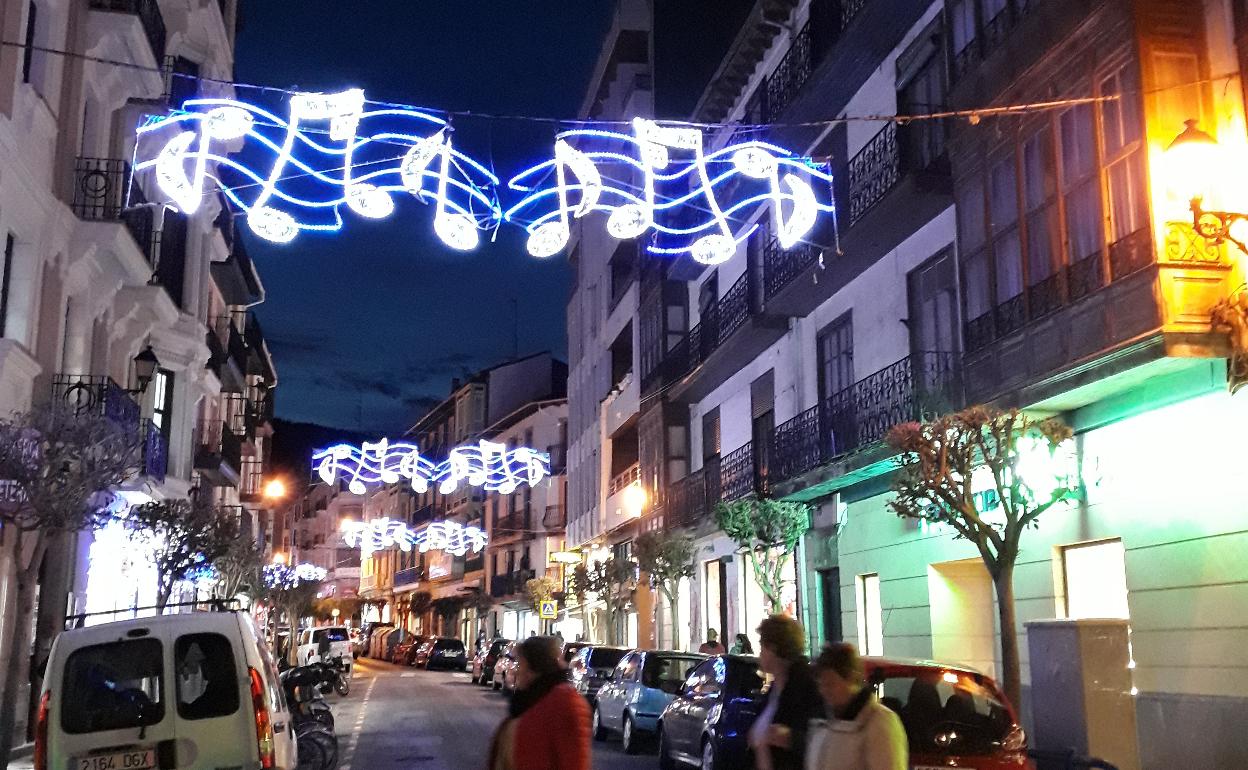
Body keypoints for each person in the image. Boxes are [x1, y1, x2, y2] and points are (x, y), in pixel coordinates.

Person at [487, 636, 590, 770]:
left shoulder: (565, 702)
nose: (517, 670)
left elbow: (574, 763)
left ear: (534, 667)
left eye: (521, 663)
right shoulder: (524, 703)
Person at [806, 643, 907, 770]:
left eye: (830, 684)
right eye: (821, 684)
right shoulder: (822, 722)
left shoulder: (879, 723)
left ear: (851, 678)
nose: (823, 690)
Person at [748, 615, 824, 770]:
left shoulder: (807, 686)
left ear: (773, 648)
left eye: (762, 646)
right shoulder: (775, 689)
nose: (760, 654)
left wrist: (790, 738)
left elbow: (824, 740)